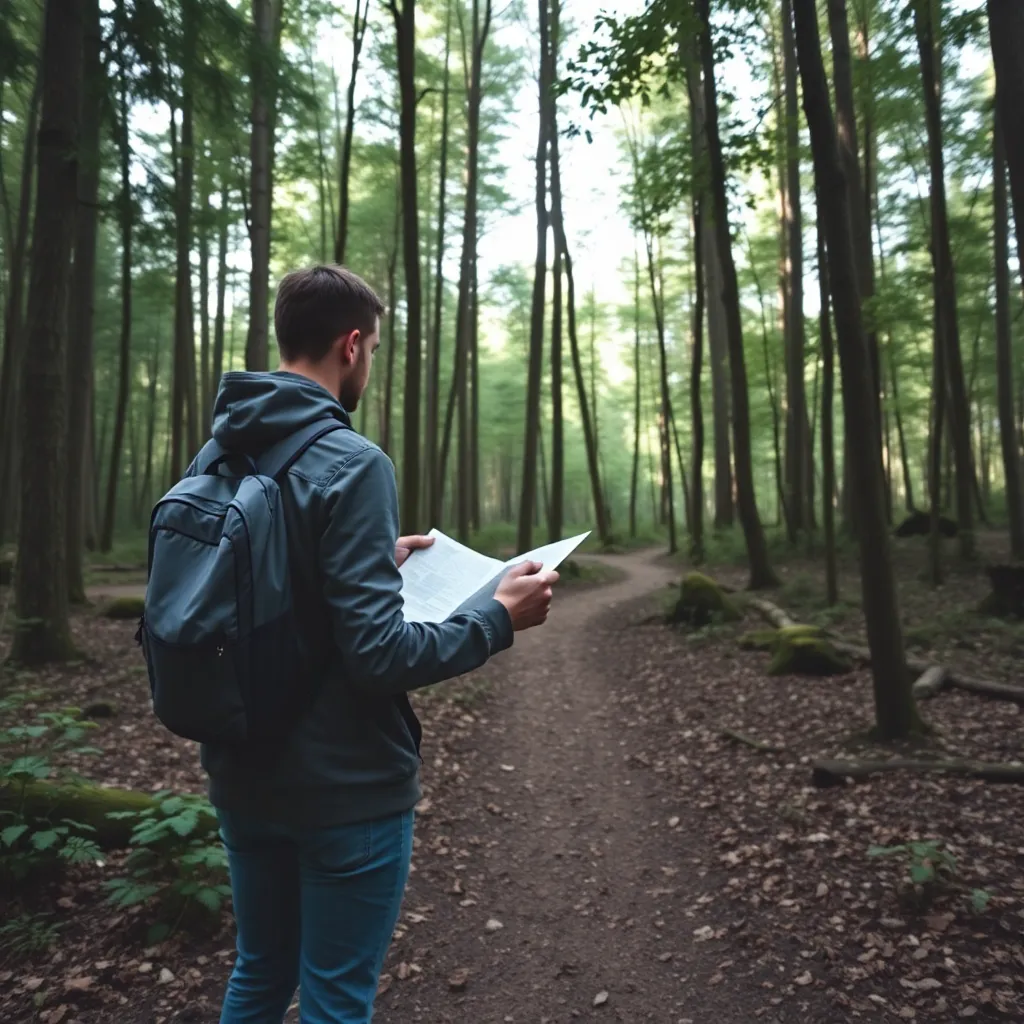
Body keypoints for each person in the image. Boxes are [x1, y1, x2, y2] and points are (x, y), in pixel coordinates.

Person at [204, 265, 558, 1023]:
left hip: (240, 770)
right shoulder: (354, 462)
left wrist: (370, 558)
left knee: (259, 976)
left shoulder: (219, 454)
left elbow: (253, 594)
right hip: (345, 787)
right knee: (335, 997)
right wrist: (498, 618)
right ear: (353, 344)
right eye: (372, 349)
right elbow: (379, 657)